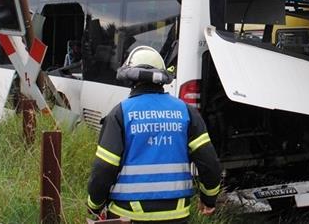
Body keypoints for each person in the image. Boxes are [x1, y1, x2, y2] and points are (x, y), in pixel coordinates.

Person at [87, 46, 222, 223]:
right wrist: (208, 199)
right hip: (177, 215)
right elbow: (209, 162)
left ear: (130, 79)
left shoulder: (120, 114)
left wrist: (94, 204)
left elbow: (104, 168)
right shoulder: (186, 112)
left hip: (128, 215)